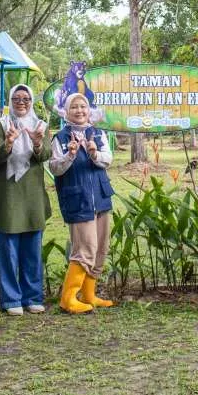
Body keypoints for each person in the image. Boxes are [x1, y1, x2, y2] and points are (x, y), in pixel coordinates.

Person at [50, 92, 117, 314]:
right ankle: (68, 299)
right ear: (66, 112)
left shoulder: (98, 134)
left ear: (89, 110)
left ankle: (89, 294)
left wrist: (94, 153)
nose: (80, 111)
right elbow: (55, 168)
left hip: (100, 197)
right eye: (74, 107)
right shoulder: (59, 138)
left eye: (83, 106)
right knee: (84, 249)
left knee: (100, 248)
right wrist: (70, 154)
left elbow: (108, 159)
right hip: (78, 199)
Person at [0, 84, 52, 316]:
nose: (21, 102)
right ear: (10, 100)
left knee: (32, 250)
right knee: (7, 250)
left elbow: (46, 154)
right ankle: (11, 299)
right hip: (7, 195)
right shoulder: (2, 125)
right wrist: (7, 144)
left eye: (26, 98)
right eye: (16, 98)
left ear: (32, 100)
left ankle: (32, 297)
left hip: (32, 196)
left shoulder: (40, 126)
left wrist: (36, 142)